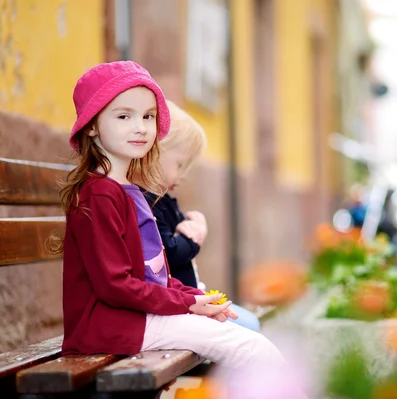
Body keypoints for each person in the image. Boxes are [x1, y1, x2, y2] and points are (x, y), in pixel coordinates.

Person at [55, 61, 303, 398]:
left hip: (134, 316)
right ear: (93, 126)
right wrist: (186, 306)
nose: (140, 127)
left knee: (242, 339)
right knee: (249, 349)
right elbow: (115, 286)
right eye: (123, 116)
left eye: (148, 116)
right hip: (111, 324)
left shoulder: (127, 190)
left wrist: (196, 297)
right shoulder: (100, 194)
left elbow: (152, 276)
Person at [141, 100, 261, 332]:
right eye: (180, 164)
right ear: (154, 154)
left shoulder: (163, 201)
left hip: (187, 299)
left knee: (250, 322)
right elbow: (169, 254)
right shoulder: (149, 204)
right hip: (175, 308)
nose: (184, 175)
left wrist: (191, 225)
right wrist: (194, 238)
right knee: (248, 326)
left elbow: (176, 229)